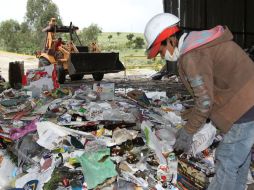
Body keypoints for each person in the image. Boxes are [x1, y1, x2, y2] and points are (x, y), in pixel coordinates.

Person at [144, 13, 254, 190]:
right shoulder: (199, 44)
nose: (162, 56)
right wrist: (187, 115)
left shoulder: (192, 55)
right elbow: (211, 91)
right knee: (239, 158)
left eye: (161, 50)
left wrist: (188, 132)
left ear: (171, 40)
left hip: (245, 106)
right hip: (247, 101)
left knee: (227, 158)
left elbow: (204, 101)